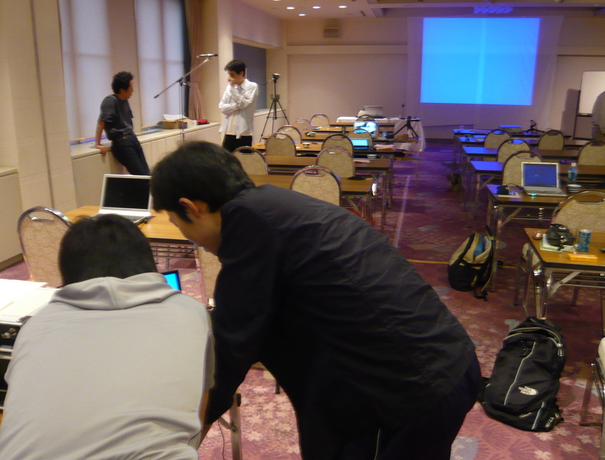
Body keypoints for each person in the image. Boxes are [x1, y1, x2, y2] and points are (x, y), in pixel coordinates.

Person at [150, 141, 481, 460]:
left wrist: (187, 440)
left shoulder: (248, 223)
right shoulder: (272, 204)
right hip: (441, 363)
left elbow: (231, 346)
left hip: (407, 390)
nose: (187, 237)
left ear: (191, 207)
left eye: (178, 223)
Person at [0, 215, 214, 460]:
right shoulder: (189, 312)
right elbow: (199, 405)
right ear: (148, 263)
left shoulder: (36, 324)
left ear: (66, 271)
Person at [95, 71, 150, 175]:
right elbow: (101, 122)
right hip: (122, 142)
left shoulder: (125, 100)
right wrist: (97, 143)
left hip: (132, 138)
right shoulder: (110, 101)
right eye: (131, 88)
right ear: (122, 89)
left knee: (147, 174)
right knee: (140, 175)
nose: (132, 91)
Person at [218, 59, 258, 152]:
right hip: (229, 130)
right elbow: (222, 107)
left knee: (243, 159)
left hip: (244, 131)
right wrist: (236, 105)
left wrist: (234, 91)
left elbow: (243, 105)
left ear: (241, 73)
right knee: (225, 158)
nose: (229, 78)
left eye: (232, 75)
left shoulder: (252, 86)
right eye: (229, 75)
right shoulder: (229, 87)